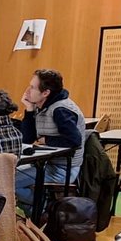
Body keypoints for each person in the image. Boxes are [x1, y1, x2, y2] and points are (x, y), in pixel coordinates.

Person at [15, 68, 86, 207]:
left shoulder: (61, 110)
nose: (27, 91)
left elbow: (74, 141)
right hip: (48, 163)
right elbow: (27, 139)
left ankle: (45, 207)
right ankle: (38, 215)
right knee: (7, 175)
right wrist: (29, 109)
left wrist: (46, 140)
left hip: (63, 169)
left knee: (8, 182)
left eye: (32, 87)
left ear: (46, 93)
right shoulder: (41, 106)